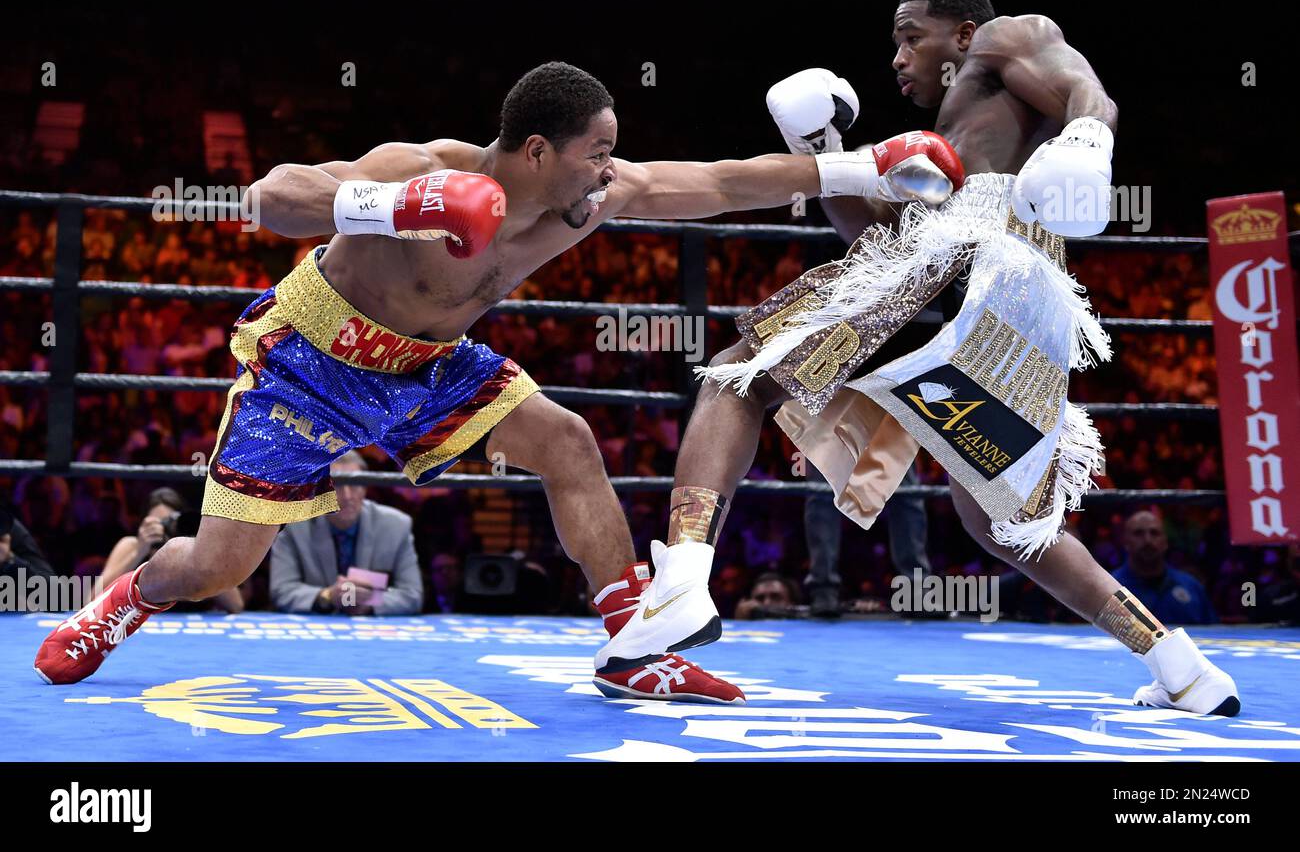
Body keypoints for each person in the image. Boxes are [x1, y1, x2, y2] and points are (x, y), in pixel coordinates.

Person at [35, 61, 944, 703]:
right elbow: (268, 198)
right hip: (310, 361)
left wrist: (859, 165)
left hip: (432, 368)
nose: (609, 170)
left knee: (567, 441)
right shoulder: (423, 169)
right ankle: (125, 601)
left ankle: (634, 646)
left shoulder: (592, 197)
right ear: (539, 151)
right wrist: (399, 207)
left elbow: (713, 181)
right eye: (596, 151)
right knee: (217, 564)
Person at [604, 0, 1239, 716]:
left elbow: (1088, 92)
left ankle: (681, 577)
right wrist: (824, 148)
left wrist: (1089, 139)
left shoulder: (1007, 37)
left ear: (964, 34)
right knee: (1001, 518)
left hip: (971, 255)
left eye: (912, 36)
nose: (899, 58)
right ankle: (1182, 665)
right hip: (1007, 289)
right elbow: (876, 238)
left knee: (740, 375)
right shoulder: (954, 137)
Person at [269, 452, 424, 615]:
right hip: (317, 626)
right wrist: (327, 596)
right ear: (320, 489)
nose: (347, 496)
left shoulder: (396, 525)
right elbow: (281, 590)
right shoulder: (293, 526)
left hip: (371, 630)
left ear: (365, 488)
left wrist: (370, 601)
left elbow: (412, 595)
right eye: (337, 485)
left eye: (355, 485)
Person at [99, 487, 242, 613]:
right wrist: (140, 552)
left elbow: (235, 605)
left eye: (169, 521)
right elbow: (95, 600)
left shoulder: (194, 551)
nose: (163, 528)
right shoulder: (131, 546)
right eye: (157, 523)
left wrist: (191, 551)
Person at [1111, 510, 1216, 625]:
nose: (1148, 540)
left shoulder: (1191, 586)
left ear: (1165, 542)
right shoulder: (1111, 587)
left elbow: (1215, 632)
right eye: (1138, 533)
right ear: (1126, 542)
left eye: (1154, 533)